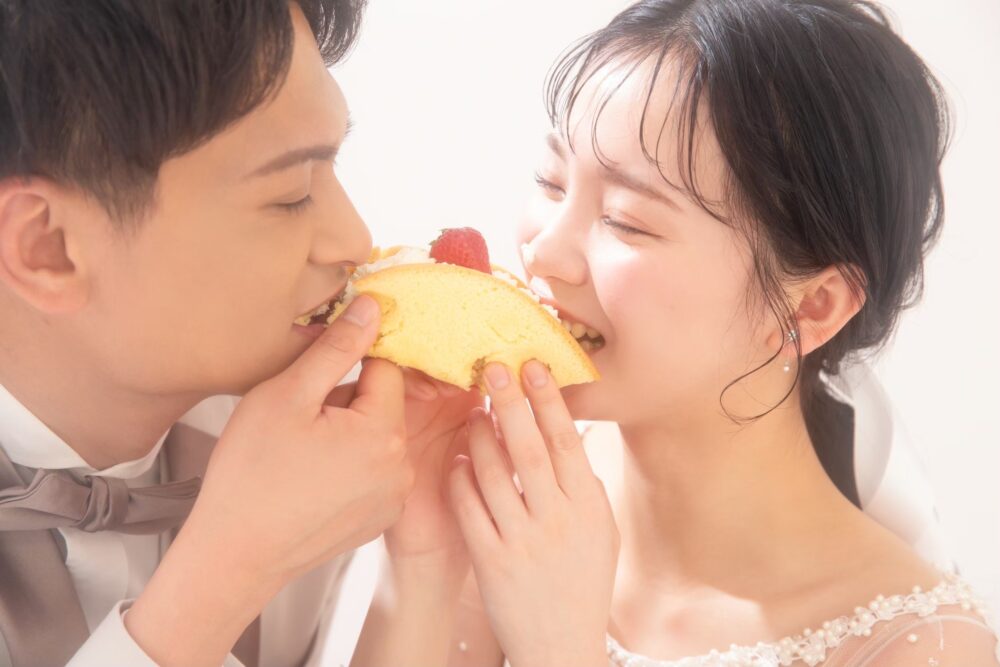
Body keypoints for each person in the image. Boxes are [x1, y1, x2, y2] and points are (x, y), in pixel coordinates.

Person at [355, 1, 1000, 665]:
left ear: (810, 307)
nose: (543, 252)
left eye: (625, 220)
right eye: (551, 182)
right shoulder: (516, 496)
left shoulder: (926, 647)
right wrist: (420, 567)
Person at [0, 2, 479, 665]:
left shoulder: (305, 443)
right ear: (48, 248)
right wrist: (225, 573)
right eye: (291, 193)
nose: (354, 238)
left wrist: (422, 566)